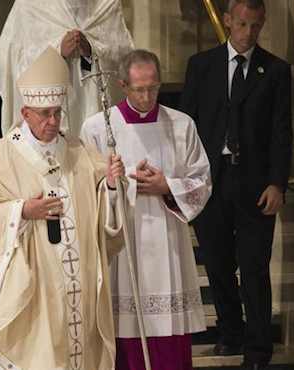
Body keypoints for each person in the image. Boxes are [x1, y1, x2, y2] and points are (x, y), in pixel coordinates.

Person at [0, 47, 126, 370]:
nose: (53, 121)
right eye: (45, 114)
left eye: (57, 112)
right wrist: (22, 211)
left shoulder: (80, 154)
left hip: (78, 288)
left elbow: (104, 218)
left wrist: (109, 185)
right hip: (32, 295)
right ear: (25, 113)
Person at [179, 1, 292, 368]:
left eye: (256, 26)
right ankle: (230, 332)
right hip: (211, 181)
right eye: (242, 25)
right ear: (227, 21)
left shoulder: (274, 70)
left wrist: (277, 183)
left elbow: (281, 132)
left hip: (255, 184)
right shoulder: (201, 66)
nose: (248, 34)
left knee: (255, 266)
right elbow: (187, 128)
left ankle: (258, 350)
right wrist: (188, 181)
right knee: (217, 262)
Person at [82, 49, 211, 370]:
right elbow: (85, 189)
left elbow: (202, 180)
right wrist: (120, 183)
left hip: (168, 244)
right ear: (123, 85)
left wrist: (167, 186)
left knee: (167, 338)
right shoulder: (98, 128)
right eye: (139, 89)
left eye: (153, 87)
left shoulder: (181, 125)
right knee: (126, 330)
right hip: (122, 244)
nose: (147, 96)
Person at [0, 0, 134, 136]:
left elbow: (124, 58)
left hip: (92, 110)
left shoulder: (106, 4)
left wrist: (91, 50)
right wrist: (58, 51)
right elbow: (10, 60)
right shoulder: (29, 5)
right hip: (49, 117)